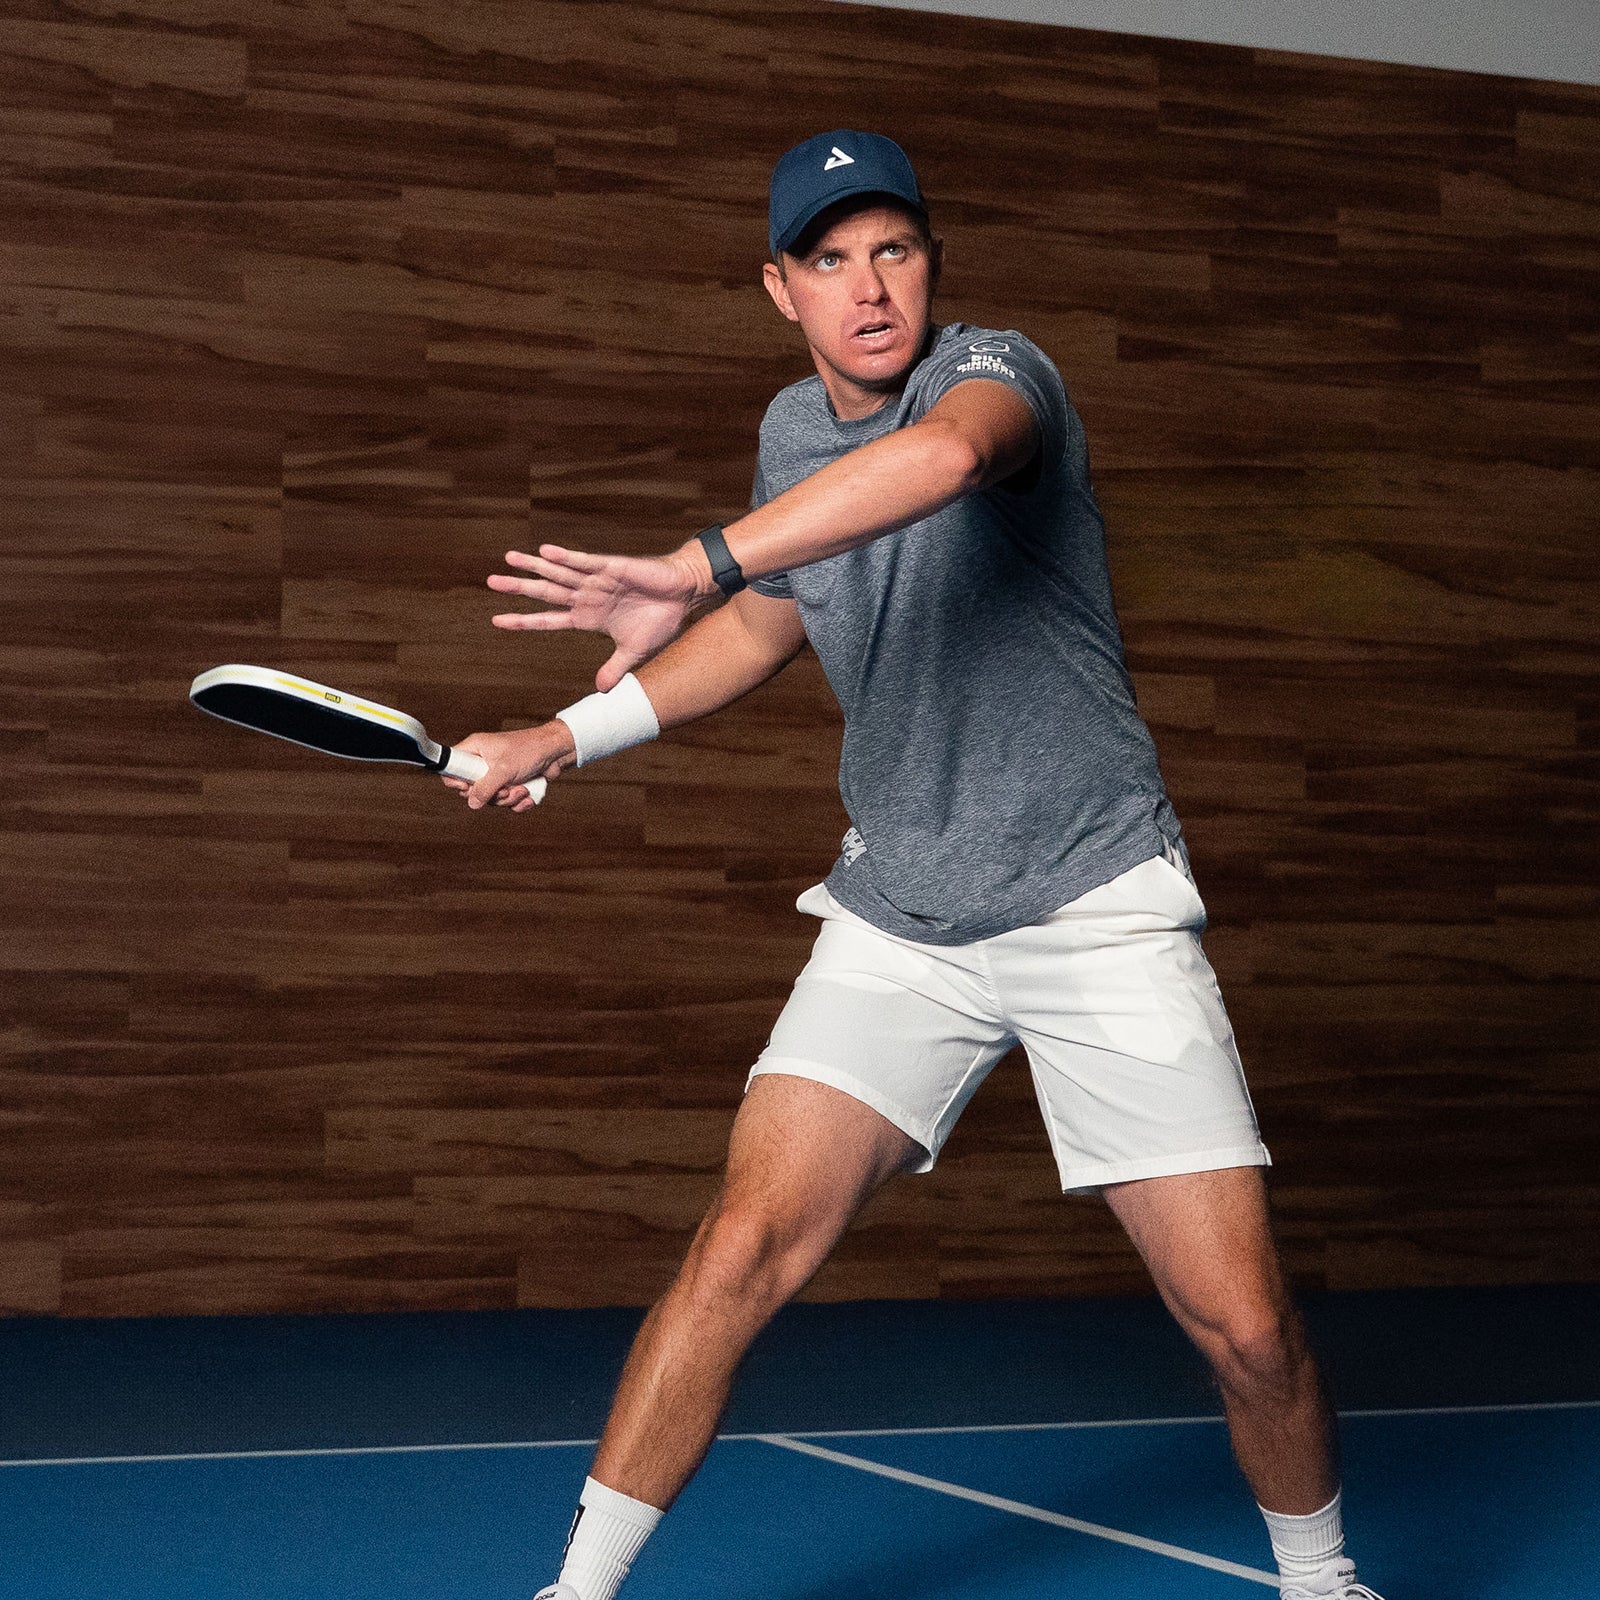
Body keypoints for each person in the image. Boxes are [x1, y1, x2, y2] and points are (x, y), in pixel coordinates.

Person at [442, 129, 1385, 1600]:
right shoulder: (785, 441)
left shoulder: (999, 379)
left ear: (933, 265)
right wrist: (566, 731)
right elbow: (775, 620)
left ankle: (1324, 1584)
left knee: (1246, 1330)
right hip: (901, 918)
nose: (868, 286)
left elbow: (933, 469)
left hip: (1092, 900)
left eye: (894, 249)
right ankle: (575, 1596)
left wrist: (698, 561)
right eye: (829, 259)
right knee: (741, 1247)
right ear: (780, 288)